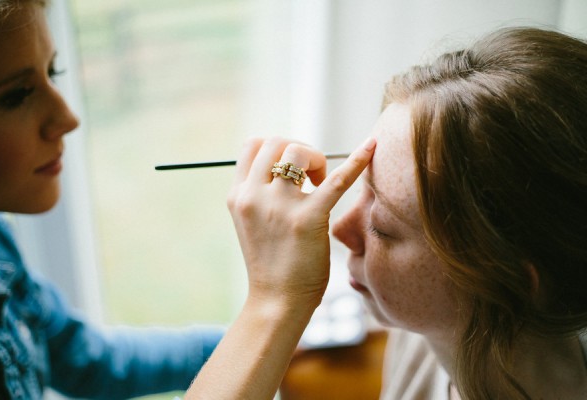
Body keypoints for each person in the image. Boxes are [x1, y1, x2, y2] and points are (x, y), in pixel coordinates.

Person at [182, 26, 587, 400]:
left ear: (509, 281)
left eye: (382, 227)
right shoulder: (433, 333)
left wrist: (273, 297)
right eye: (362, 190)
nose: (339, 229)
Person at [0, 1, 224, 398]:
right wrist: (274, 303)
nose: (68, 118)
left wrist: (239, 343)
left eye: (53, 72)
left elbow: (91, 362)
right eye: (17, 95)